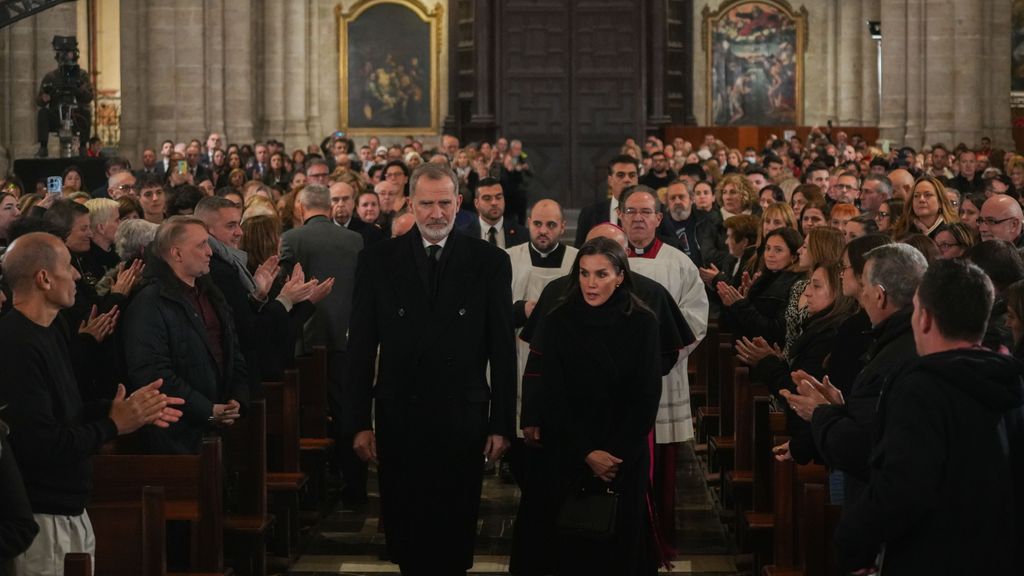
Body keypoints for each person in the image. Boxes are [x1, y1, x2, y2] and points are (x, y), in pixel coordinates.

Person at [344, 163, 516, 574]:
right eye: (426, 204)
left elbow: (502, 350)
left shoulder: (489, 261)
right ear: (410, 203)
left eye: (444, 203)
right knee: (407, 529)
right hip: (400, 411)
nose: (436, 213)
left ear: (458, 203)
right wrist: (356, 422)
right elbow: (361, 349)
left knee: (454, 530)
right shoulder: (376, 261)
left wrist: (502, 423)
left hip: (464, 414)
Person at [0, 232, 182, 572]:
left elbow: (67, 415)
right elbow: (39, 443)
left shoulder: (52, 330)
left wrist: (119, 411)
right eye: (68, 267)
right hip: (41, 515)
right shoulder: (14, 345)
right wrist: (113, 424)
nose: (76, 276)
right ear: (43, 278)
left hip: (69, 505)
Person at [836, 258, 1024, 574]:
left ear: (924, 318)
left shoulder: (922, 388)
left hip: (933, 557)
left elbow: (902, 487)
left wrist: (853, 544)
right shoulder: (1012, 381)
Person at [538, 237, 663, 575]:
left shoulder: (643, 322)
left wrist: (613, 453)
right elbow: (551, 394)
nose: (591, 284)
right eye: (584, 274)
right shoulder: (558, 320)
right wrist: (586, 452)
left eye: (601, 274)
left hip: (623, 455)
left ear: (620, 275)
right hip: (570, 451)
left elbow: (646, 397)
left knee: (621, 551)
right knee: (570, 552)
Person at [792, 244, 927, 510]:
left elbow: (861, 447)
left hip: (883, 505)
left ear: (879, 296)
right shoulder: (912, 338)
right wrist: (840, 409)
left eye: (864, 286)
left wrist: (821, 413)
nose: (860, 294)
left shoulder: (895, 354)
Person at [122, 216, 248, 454]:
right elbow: (153, 373)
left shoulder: (210, 292)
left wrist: (237, 397)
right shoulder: (149, 303)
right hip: (176, 436)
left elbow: (232, 348)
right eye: (201, 245)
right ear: (177, 254)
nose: (210, 252)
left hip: (216, 425)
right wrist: (206, 409)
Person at [279, 183, 364, 506]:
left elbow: (287, 287)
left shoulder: (292, 238)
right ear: (329, 208)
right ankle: (353, 485)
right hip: (346, 339)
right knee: (346, 412)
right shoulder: (354, 239)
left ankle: (313, 489)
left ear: (300, 208)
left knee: (306, 414)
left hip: (307, 341)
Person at [35, 36, 93, 158]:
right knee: (43, 112)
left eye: (69, 53)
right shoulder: (51, 76)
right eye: (62, 53)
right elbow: (39, 101)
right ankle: (43, 147)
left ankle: (83, 146)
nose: (66, 56)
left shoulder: (82, 75)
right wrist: (44, 98)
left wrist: (81, 89)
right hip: (56, 114)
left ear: (74, 54)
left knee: (86, 111)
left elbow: (89, 97)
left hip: (76, 114)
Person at [575, 155, 640, 245]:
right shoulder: (589, 214)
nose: (627, 180)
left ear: (637, 179)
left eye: (632, 175)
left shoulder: (653, 212)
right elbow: (579, 250)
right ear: (610, 180)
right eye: (620, 175)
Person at [460, 177, 527, 248]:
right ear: (476, 203)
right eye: (487, 198)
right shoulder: (463, 236)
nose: (494, 203)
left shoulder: (523, 235)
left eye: (498, 197)